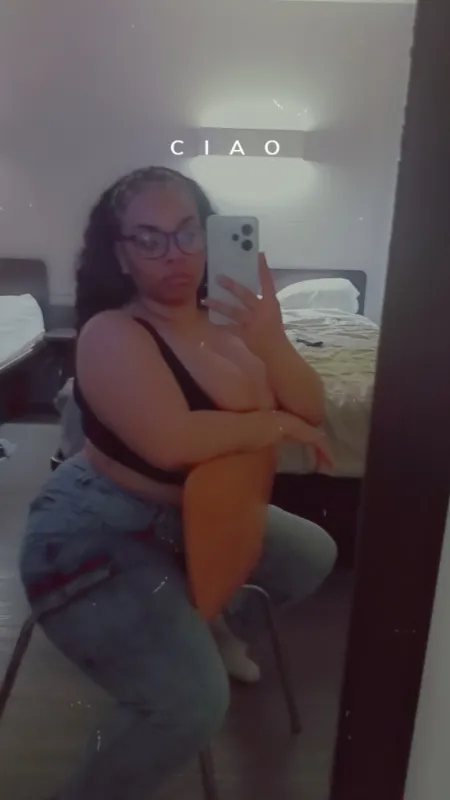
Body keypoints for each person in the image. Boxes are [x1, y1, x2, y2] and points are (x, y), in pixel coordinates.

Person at [19, 166, 337, 800]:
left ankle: (220, 629)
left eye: (188, 232)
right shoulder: (113, 333)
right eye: (149, 238)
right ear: (121, 255)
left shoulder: (231, 323)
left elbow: (310, 407)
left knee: (311, 555)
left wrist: (272, 340)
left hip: (202, 515)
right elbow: (173, 441)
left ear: (209, 234)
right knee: (190, 702)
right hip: (95, 531)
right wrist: (274, 423)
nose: (174, 254)